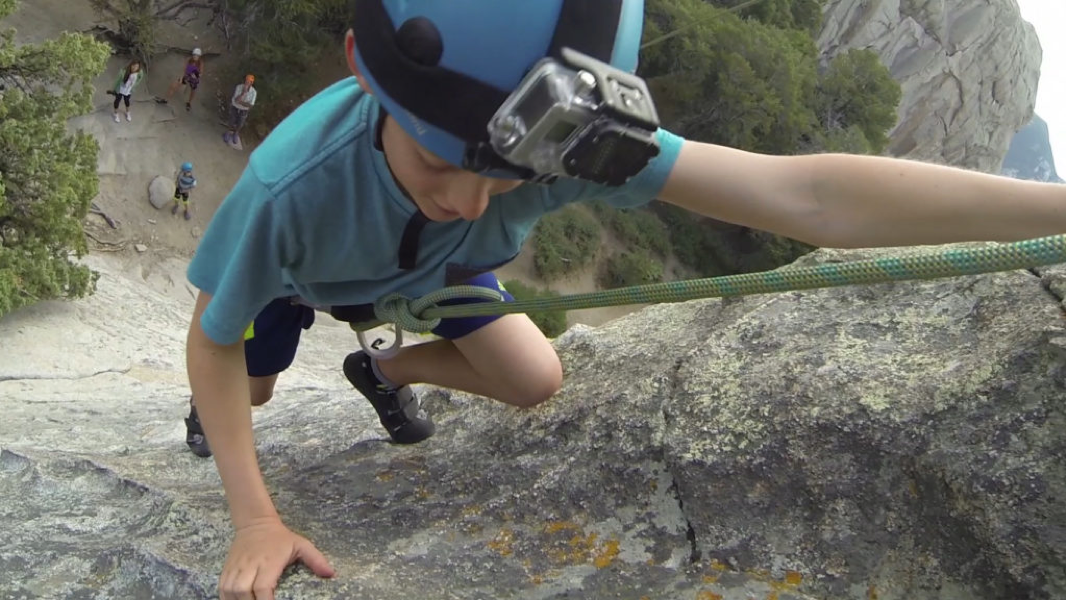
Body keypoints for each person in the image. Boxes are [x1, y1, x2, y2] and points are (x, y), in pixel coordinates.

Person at [182, 1, 1066, 598]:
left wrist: (1052, 209)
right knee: (244, 396)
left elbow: (806, 197)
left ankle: (379, 367)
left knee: (535, 378)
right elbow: (210, 336)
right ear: (364, 70)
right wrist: (255, 517)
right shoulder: (291, 187)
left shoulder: (562, 141)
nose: (471, 200)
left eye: (507, 178)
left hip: (429, 277)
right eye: (442, 165)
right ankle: (258, 402)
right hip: (295, 281)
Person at [224, 74, 257, 146]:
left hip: (244, 110)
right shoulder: (239, 87)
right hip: (235, 107)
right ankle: (228, 132)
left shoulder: (253, 92)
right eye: (246, 80)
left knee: (240, 123)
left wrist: (241, 103)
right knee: (231, 120)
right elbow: (236, 100)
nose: (247, 82)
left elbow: (250, 105)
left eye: (249, 81)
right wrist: (243, 93)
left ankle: (236, 133)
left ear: (251, 83)